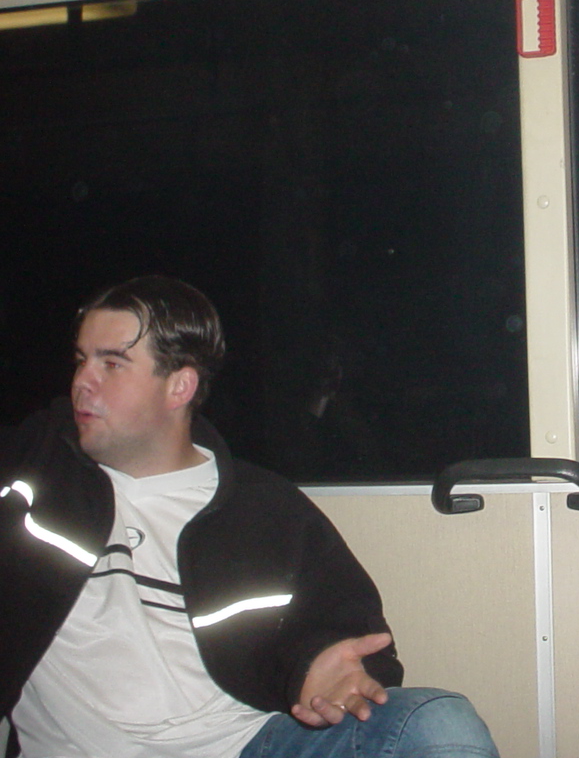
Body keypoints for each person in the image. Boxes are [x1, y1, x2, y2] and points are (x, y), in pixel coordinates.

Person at [0, 276, 499, 758]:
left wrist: (312, 667)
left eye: (112, 364)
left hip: (244, 745)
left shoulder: (265, 509)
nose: (82, 382)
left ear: (179, 386)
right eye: (81, 360)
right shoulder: (34, 473)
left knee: (440, 723)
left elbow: (347, 636)